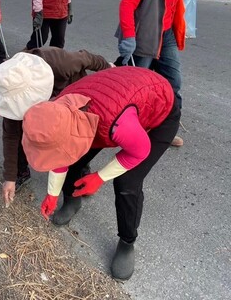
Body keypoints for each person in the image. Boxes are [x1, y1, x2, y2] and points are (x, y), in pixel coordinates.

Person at [21, 66, 181, 281]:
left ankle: (127, 242)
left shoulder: (116, 125)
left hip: (160, 104)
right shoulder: (57, 108)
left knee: (127, 181)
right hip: (121, 100)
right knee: (74, 159)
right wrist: (52, 193)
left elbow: (139, 152)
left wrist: (99, 177)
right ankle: (72, 199)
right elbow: (59, 156)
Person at [119, 0, 213, 146]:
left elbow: (174, 6)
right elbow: (127, 4)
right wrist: (129, 36)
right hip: (145, 35)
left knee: (173, 82)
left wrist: (181, 29)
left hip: (167, 34)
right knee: (136, 87)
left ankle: (165, 131)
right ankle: (124, 130)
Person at [0, 48, 112, 206]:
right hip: (49, 100)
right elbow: (10, 136)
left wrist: (109, 69)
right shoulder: (10, 86)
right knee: (21, 134)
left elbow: (88, 58)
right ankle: (21, 171)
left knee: (77, 134)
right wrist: (9, 177)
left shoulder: (60, 62)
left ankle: (81, 167)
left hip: (70, 98)